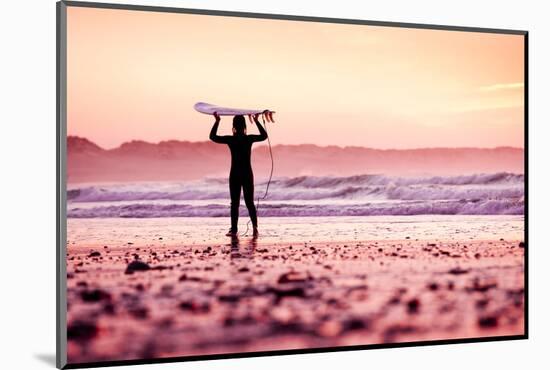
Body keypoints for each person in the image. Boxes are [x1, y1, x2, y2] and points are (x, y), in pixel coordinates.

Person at [209, 111, 268, 236]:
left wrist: (217, 121)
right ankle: (255, 228)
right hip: (247, 173)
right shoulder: (249, 139)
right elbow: (264, 136)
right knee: (249, 202)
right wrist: (257, 120)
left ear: (234, 126)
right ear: (245, 126)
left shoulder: (231, 139)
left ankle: (234, 230)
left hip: (235, 174)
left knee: (234, 203)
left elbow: (213, 137)